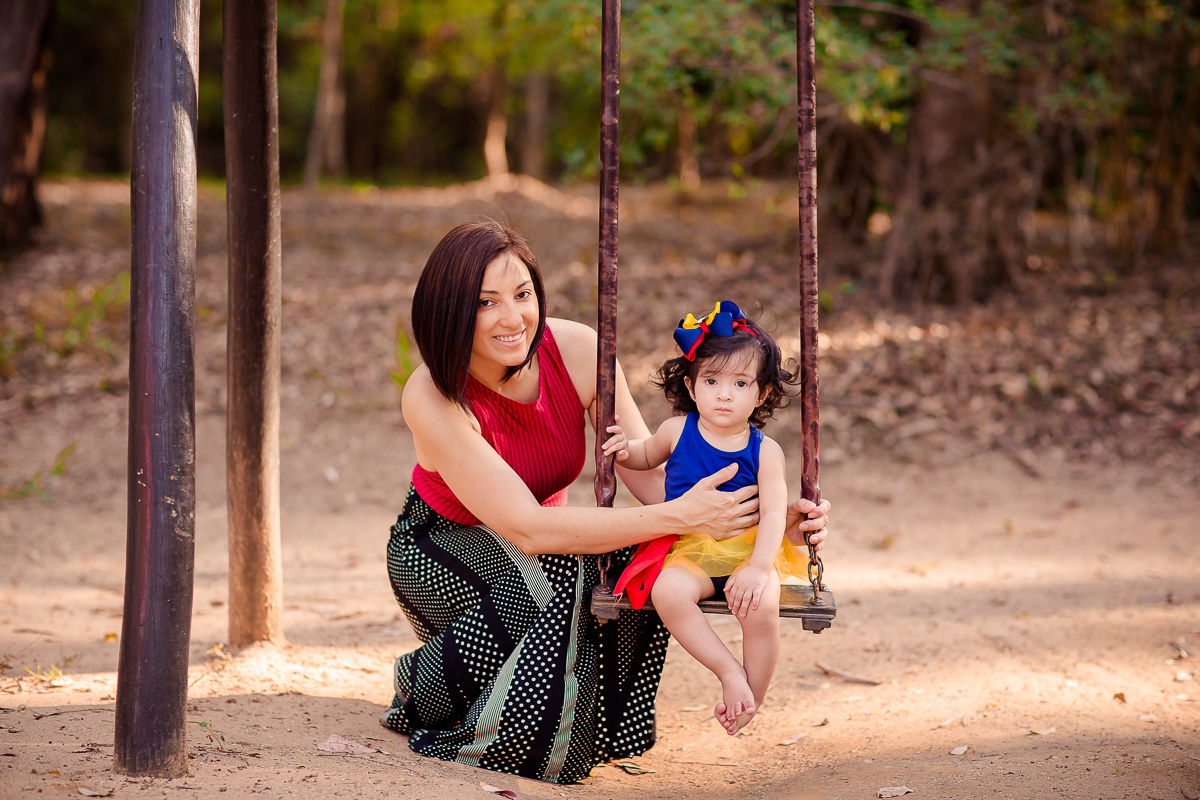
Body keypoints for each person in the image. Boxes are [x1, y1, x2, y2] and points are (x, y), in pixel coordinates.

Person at [381, 222, 830, 783]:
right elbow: (527, 528)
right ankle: (427, 683)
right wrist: (676, 515)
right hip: (442, 542)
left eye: (523, 295)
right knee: (548, 588)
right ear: (450, 311)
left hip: (546, 538)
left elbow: (661, 484)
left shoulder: (579, 352)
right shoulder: (431, 394)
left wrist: (774, 521)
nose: (513, 317)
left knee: (629, 572)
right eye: (486, 303)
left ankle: (586, 722)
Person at [605, 300, 808, 735]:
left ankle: (752, 695)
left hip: (748, 552)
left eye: (740, 383)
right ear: (692, 387)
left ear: (762, 393)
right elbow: (642, 458)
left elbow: (774, 513)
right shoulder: (675, 432)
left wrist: (757, 569)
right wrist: (624, 447)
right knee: (668, 593)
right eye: (711, 380)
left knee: (762, 606)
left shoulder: (766, 451)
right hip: (689, 551)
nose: (724, 393)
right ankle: (729, 672)